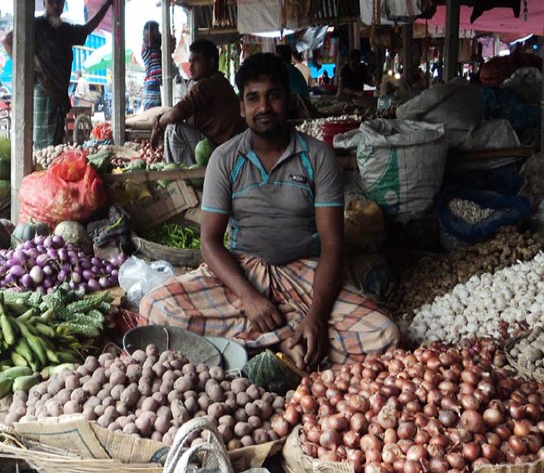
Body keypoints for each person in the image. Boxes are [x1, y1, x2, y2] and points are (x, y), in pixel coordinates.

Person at [140, 53, 400, 368]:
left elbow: (333, 244)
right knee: (155, 307)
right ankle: (287, 339)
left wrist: (317, 316)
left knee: (384, 334)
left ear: (288, 100)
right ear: (242, 107)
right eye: (253, 98)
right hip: (243, 272)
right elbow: (209, 242)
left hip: (304, 272)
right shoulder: (224, 159)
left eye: (273, 96)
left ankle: (273, 339)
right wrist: (249, 298)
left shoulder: (318, 157)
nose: (263, 107)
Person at [3, 0, 114, 149]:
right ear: (44, 3)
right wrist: (29, 68)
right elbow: (6, 41)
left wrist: (105, 6)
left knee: (55, 145)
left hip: (59, 95)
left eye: (60, 2)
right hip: (44, 91)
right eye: (51, 2)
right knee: (44, 146)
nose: (56, 6)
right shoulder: (35, 25)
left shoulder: (65, 30)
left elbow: (86, 29)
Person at [150, 39, 246, 166]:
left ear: (210, 62)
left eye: (196, 61)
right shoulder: (218, 81)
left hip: (224, 152)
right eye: (190, 61)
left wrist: (157, 126)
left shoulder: (207, 85)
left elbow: (175, 114)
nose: (191, 67)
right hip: (226, 149)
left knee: (174, 129)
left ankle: (184, 177)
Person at [141, 21, 163, 110]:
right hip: (152, 84)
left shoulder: (157, 47)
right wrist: (150, 29)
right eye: (156, 30)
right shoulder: (147, 48)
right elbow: (148, 38)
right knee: (152, 114)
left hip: (159, 84)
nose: (158, 33)